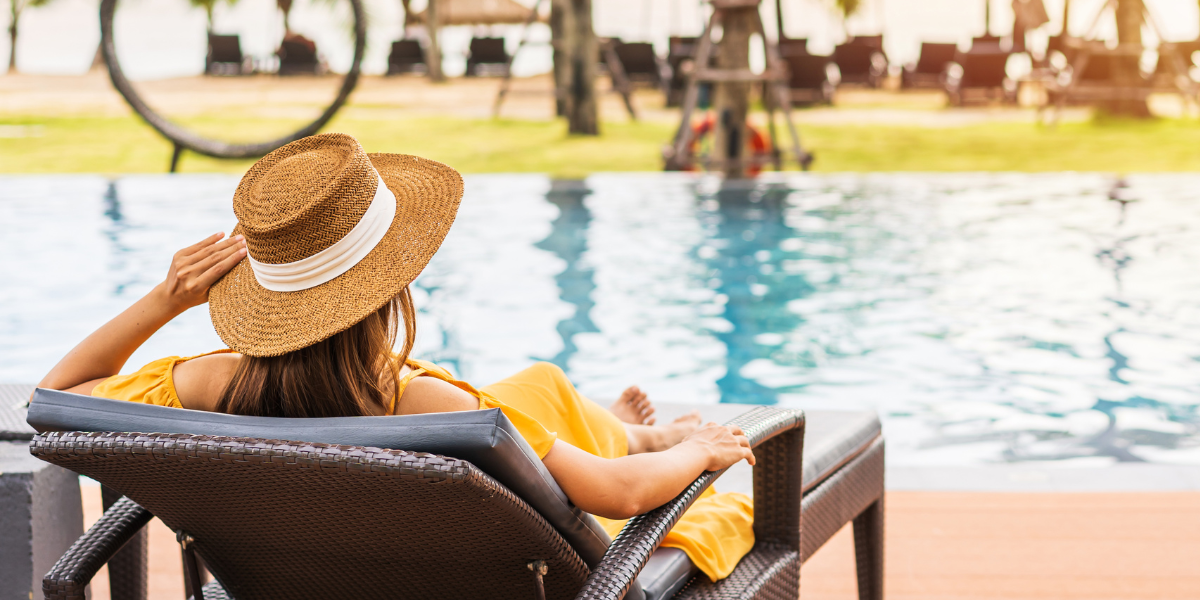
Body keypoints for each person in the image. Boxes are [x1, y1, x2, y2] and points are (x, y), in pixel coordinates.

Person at [38, 133, 756, 581]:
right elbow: (623, 495)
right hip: (483, 537)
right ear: (392, 283)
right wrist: (699, 451)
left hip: (303, 563)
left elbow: (57, 399)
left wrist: (164, 300)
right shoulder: (439, 410)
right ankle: (642, 436)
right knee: (544, 393)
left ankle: (631, 429)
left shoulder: (203, 385)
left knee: (539, 386)